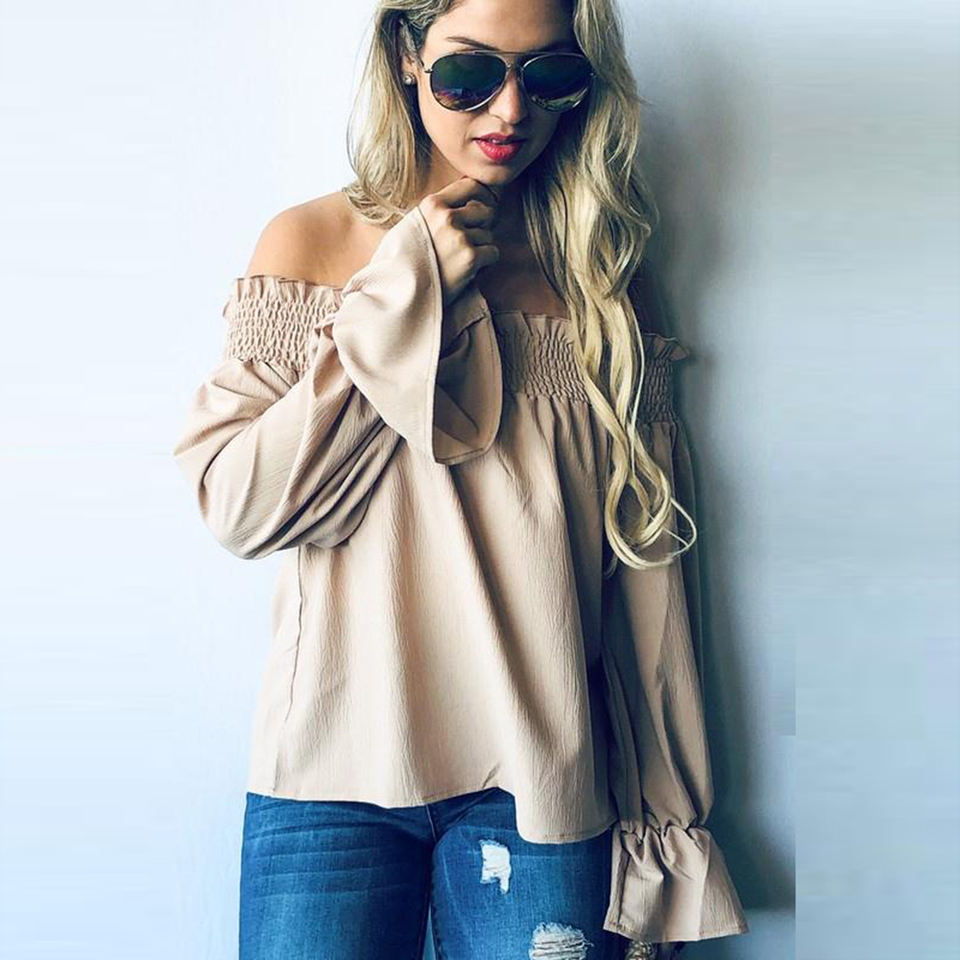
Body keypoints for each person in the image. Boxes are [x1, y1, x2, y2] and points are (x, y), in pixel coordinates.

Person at [171, 1, 749, 957]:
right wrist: (404, 296)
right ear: (406, 55)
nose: (511, 110)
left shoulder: (602, 281)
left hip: (543, 792)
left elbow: (649, 585)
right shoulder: (311, 245)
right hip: (325, 782)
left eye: (549, 76)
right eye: (470, 74)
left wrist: (664, 823)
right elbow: (240, 510)